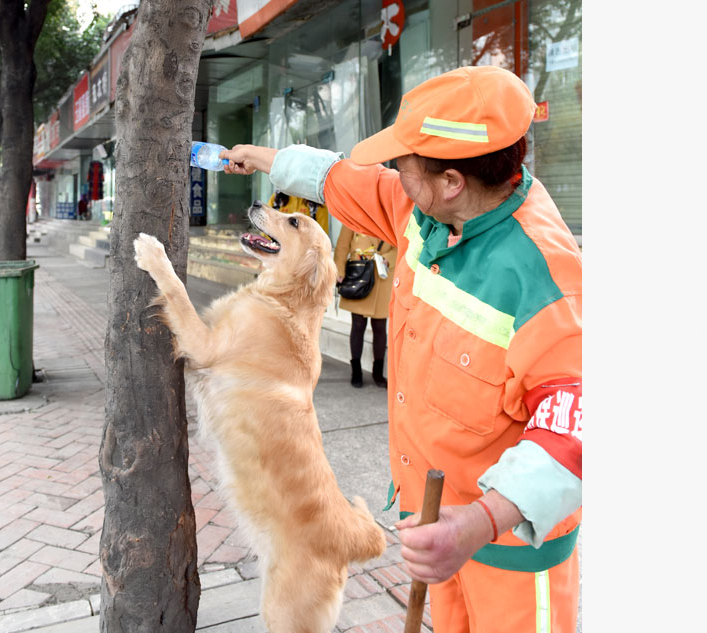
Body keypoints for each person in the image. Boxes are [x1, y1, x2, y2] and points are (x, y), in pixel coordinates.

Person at [220, 66, 582, 633]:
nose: (393, 173)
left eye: (403, 164)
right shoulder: (422, 210)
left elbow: (572, 430)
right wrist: (262, 157)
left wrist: (478, 523)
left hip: (508, 552)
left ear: (452, 182)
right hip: (435, 530)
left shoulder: (549, 282)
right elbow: (338, 178)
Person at [332, 226, 397, 388]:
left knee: (380, 326)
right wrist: (339, 269)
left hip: (382, 274)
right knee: (358, 324)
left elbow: (401, 244)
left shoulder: (390, 216)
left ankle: (377, 372)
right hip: (359, 274)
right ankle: (356, 370)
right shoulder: (354, 216)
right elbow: (342, 245)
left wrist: (389, 258)